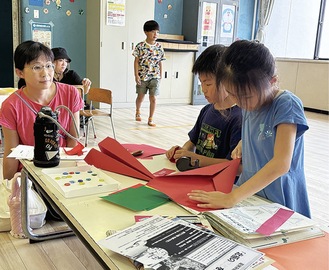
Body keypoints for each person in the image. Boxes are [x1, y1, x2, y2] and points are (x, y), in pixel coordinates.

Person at [188, 40, 311, 218]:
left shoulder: (286, 104)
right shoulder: (249, 105)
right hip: (250, 193)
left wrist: (232, 197)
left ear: (272, 81)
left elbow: (281, 164)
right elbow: (260, 132)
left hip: (279, 196)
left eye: (245, 95)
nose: (240, 102)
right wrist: (243, 141)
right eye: (232, 94)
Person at [0, 40, 84, 181]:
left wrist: (66, 173)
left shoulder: (70, 93)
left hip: (62, 169)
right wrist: (9, 184)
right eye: (36, 67)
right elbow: (12, 151)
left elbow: (73, 140)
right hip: (28, 174)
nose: (45, 73)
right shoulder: (11, 105)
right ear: (20, 73)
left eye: (49, 66)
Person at [166, 45, 242, 167]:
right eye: (201, 83)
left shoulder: (238, 118)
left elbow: (232, 164)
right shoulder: (206, 110)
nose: (203, 90)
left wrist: (197, 159)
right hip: (199, 174)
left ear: (227, 81)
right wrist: (182, 152)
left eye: (208, 84)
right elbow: (192, 141)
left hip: (220, 181)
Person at [132, 20, 165, 127]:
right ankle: (138, 110)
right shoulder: (140, 46)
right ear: (146, 32)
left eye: (157, 32)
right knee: (140, 96)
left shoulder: (159, 47)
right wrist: (136, 75)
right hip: (142, 76)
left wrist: (161, 75)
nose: (156, 34)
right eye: (153, 32)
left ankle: (150, 118)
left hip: (155, 76)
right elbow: (136, 61)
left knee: (153, 98)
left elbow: (160, 61)